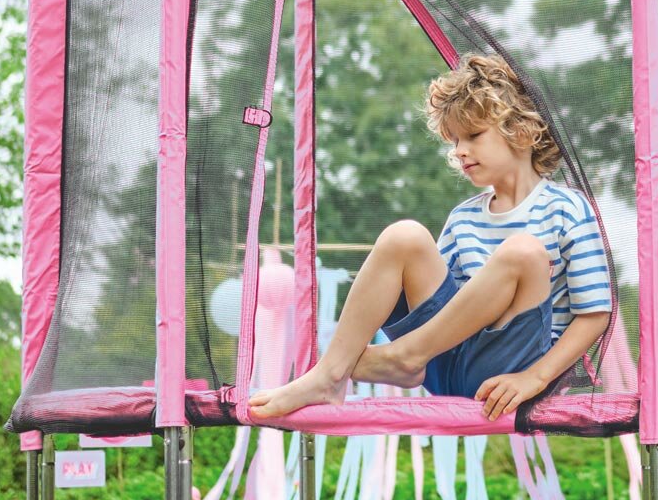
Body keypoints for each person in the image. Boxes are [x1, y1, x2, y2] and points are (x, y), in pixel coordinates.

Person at [249, 54, 611, 423]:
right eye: (454, 140)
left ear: (520, 130)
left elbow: (595, 314)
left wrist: (536, 378)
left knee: (524, 252)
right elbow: (441, 305)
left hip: (513, 372)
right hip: (447, 364)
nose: (460, 150)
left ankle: (406, 355)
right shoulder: (464, 218)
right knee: (404, 235)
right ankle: (330, 374)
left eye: (473, 135)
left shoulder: (567, 209)